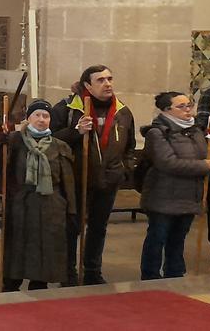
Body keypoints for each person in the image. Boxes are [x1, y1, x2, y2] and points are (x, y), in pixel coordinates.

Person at [49, 65, 136, 285]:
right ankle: (67, 273)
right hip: (76, 179)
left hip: (109, 179)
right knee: (72, 227)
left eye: (110, 79)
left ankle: (92, 271)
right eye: (100, 80)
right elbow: (49, 140)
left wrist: (124, 169)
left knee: (98, 227)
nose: (107, 84)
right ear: (87, 85)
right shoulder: (69, 108)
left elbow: (129, 146)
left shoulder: (122, 111)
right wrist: (75, 132)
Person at [0, 99, 76, 291]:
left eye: (46, 116)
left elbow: (68, 181)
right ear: (29, 118)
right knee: (18, 245)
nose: (42, 120)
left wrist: (72, 209)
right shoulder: (15, 141)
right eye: (37, 115)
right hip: (22, 203)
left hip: (51, 204)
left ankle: (39, 283)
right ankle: (11, 284)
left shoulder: (59, 146)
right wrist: (1, 146)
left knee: (46, 245)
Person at [139, 91, 210, 280]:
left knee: (178, 239)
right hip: (163, 195)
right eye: (181, 106)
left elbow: (203, 155)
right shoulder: (157, 133)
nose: (188, 110)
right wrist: (203, 166)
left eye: (189, 105)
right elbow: (167, 163)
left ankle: (175, 274)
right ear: (166, 110)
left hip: (189, 195)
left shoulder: (196, 131)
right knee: (158, 238)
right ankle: (150, 276)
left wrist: (206, 163)